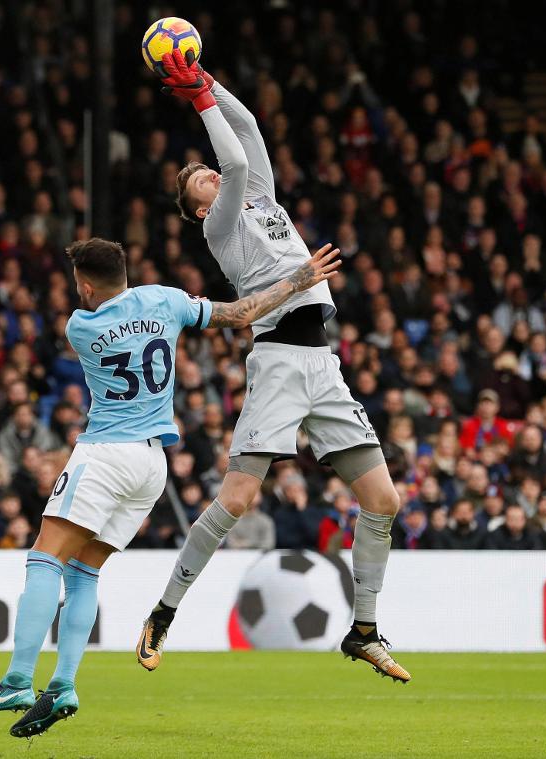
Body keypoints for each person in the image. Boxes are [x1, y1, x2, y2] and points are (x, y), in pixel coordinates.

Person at [0, 236, 339, 736]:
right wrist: (298, 281)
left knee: (45, 558)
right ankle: (63, 686)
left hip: (107, 452)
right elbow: (241, 313)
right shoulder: (166, 300)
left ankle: (17, 680)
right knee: (84, 574)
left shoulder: (81, 325)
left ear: (86, 286)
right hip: (152, 465)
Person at [141, 49, 410, 683]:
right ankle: (164, 612)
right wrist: (199, 100)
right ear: (201, 209)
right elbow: (231, 157)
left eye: (202, 170)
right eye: (196, 180)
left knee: (383, 499)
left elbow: (248, 133)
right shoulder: (223, 225)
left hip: (325, 364)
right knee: (236, 499)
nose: (207, 172)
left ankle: (363, 630)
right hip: (281, 360)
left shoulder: (256, 196)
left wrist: (207, 84)